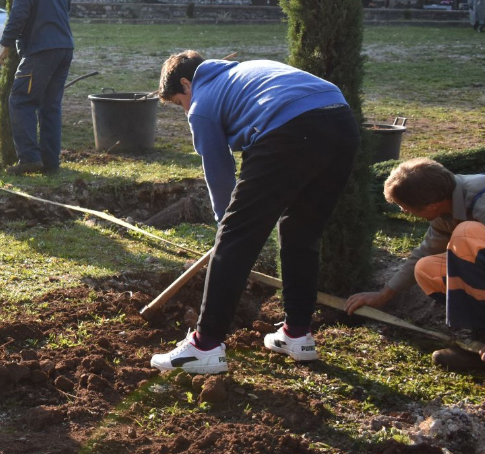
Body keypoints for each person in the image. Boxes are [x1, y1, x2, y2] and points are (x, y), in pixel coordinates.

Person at [149, 51, 360, 375]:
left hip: (291, 127)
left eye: (179, 103)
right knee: (301, 232)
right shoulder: (244, 74)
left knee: (236, 236)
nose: (185, 110)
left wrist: (226, 227)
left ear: (186, 83)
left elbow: (220, 176)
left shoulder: (203, 103)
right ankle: (297, 334)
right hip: (341, 123)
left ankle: (204, 346)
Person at [346, 158, 485, 371]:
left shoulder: (480, 199)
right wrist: (383, 295)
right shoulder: (445, 208)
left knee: (465, 234)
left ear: (432, 205)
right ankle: (479, 345)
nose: (405, 212)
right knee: (426, 268)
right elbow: (423, 252)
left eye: (405, 207)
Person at [0, 0, 75, 175]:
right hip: (64, 48)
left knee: (21, 99)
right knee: (50, 106)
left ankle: (29, 158)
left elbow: (20, 13)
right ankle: (51, 162)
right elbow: (65, 11)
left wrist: (5, 44)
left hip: (40, 51)